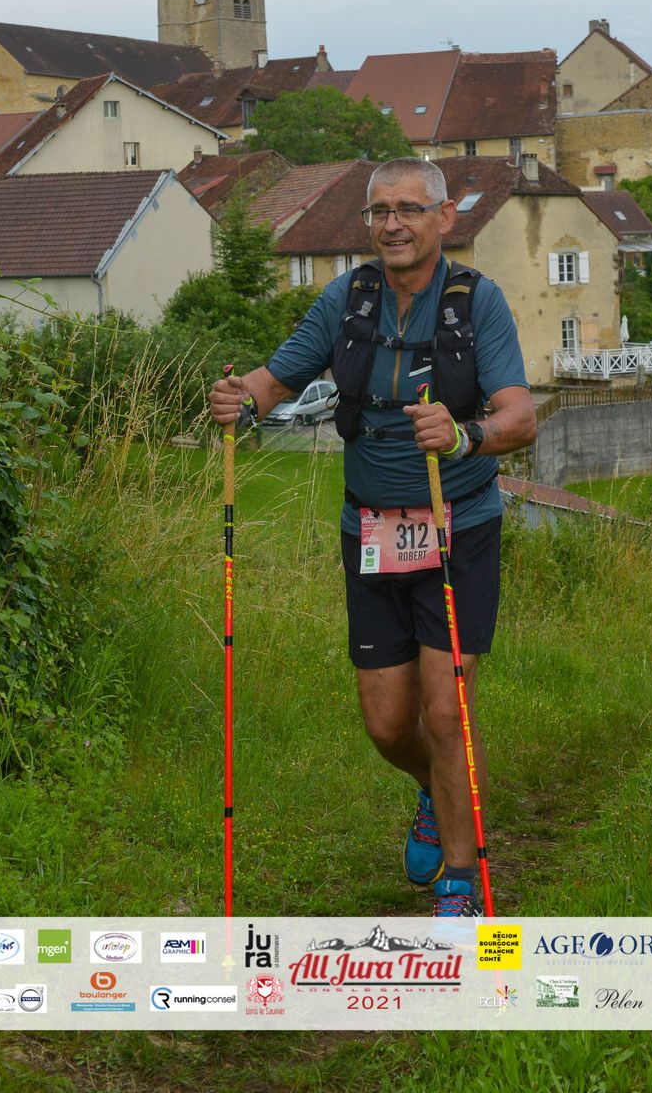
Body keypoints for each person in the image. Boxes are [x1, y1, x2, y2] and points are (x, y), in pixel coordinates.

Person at [209, 158, 536, 917]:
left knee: (446, 713)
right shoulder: (347, 298)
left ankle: (461, 879)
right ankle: (434, 792)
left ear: (444, 218)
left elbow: (520, 418)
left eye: (409, 209)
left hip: (458, 528)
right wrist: (240, 399)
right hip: (372, 532)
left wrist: (465, 435)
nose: (393, 224)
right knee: (388, 725)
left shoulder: (476, 302)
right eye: (380, 211)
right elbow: (274, 381)